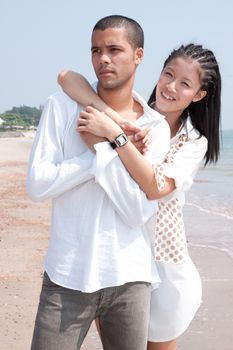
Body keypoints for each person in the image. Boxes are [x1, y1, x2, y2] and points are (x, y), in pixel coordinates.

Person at [58, 43, 221, 350]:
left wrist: (115, 138)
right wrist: (116, 122)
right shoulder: (131, 114)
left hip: (166, 268)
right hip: (118, 258)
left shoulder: (193, 142)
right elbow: (67, 77)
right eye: (168, 74)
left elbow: (155, 187)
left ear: (199, 95)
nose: (170, 87)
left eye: (185, 83)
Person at [26, 15, 171, 350]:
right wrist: (99, 155)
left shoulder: (154, 128)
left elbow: (137, 212)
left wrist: (107, 144)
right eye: (96, 50)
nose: (103, 58)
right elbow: (37, 185)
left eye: (114, 49)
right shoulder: (62, 106)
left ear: (138, 56)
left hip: (130, 279)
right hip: (66, 276)